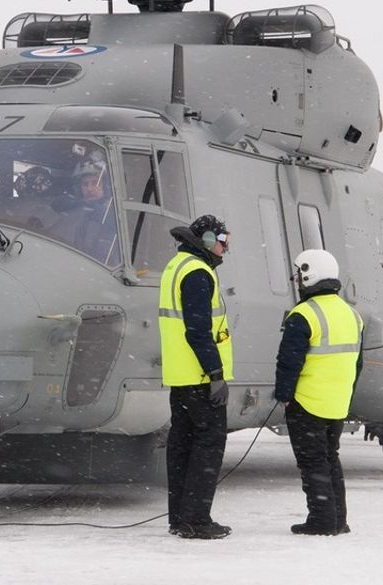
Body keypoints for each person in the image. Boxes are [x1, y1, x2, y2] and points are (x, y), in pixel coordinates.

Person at [274, 249, 364, 536]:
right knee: (330, 459)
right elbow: (358, 363)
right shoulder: (352, 315)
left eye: (300, 273)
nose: (297, 280)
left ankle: (322, 520)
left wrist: (283, 394)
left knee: (312, 463)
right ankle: (338, 519)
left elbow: (289, 361)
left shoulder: (303, 315)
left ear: (310, 274)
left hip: (307, 402)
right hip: (336, 403)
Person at [158, 214, 234, 540]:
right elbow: (198, 331)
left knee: (182, 445)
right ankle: (196, 519)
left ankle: (180, 517)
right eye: (222, 240)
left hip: (181, 375)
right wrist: (216, 374)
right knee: (208, 444)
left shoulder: (177, 265)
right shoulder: (198, 273)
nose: (225, 248)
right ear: (205, 241)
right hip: (201, 378)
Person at [53, 153, 119, 265]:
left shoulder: (114, 215)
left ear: (106, 186)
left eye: (95, 183)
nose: (89, 189)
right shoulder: (71, 211)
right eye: (85, 184)